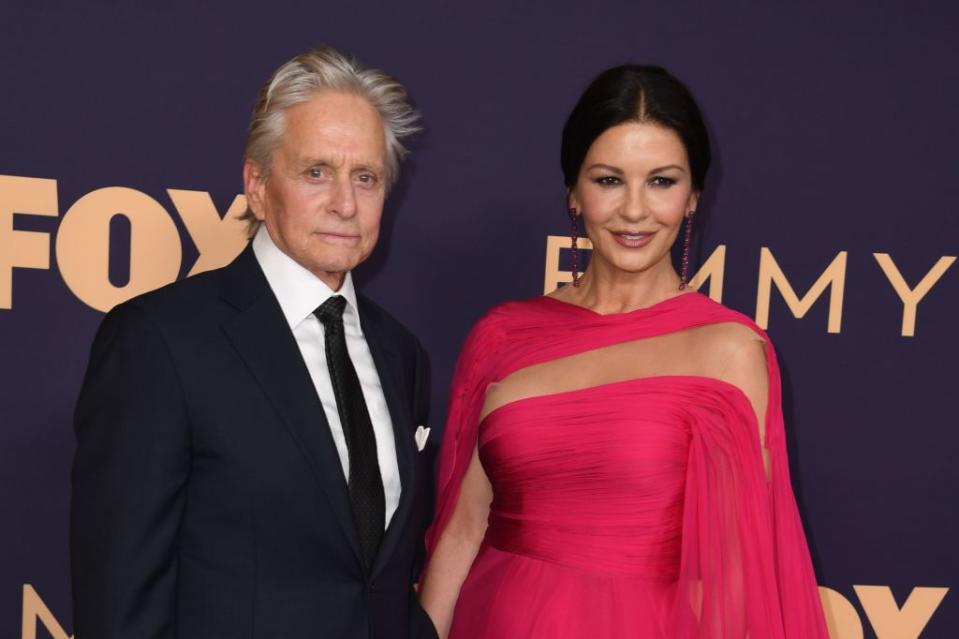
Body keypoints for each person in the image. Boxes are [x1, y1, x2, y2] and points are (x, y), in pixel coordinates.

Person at [418, 65, 829, 638]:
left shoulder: (729, 350)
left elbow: (739, 572)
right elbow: (464, 530)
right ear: (574, 192)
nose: (635, 210)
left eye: (661, 181)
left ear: (693, 199)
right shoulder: (502, 335)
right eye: (609, 180)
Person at [70, 46, 438, 639]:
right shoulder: (160, 342)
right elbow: (120, 600)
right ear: (258, 185)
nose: (345, 203)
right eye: (316, 172)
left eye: (365, 177)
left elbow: (382, 579)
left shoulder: (401, 354)